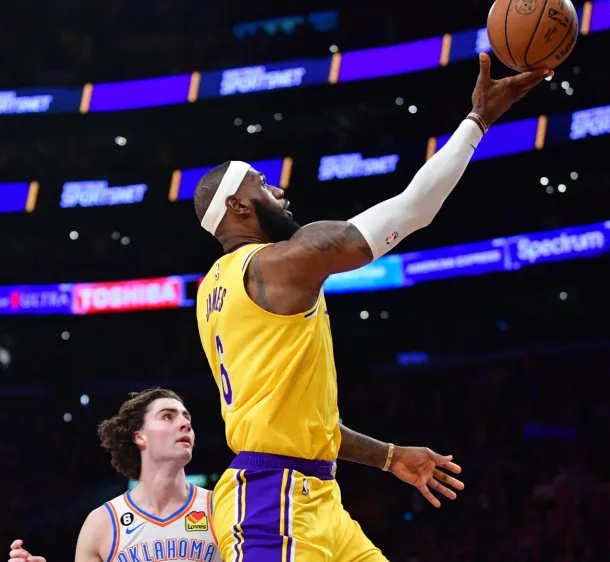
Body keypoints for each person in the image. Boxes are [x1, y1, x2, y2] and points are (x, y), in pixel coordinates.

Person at [192, 52, 549, 561]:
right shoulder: (280, 263)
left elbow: (298, 422)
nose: (279, 191)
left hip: (316, 499)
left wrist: (387, 456)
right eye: (264, 186)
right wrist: (478, 122)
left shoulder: (212, 289)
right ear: (238, 207)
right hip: (273, 501)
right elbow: (412, 210)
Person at [7, 388, 223, 562]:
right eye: (167, 417)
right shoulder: (101, 524)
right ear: (140, 437)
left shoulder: (222, 508)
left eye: (188, 419)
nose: (185, 424)